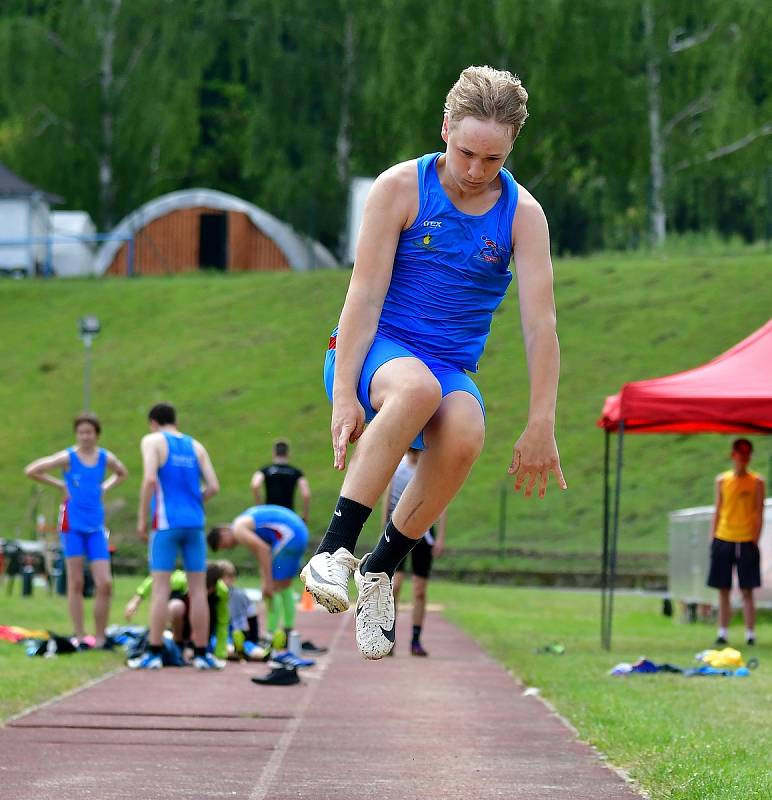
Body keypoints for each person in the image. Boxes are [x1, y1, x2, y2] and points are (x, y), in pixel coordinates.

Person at [301, 64, 566, 660]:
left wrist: (541, 420)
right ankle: (333, 551)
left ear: (510, 151)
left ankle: (378, 573)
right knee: (417, 388)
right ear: (444, 129)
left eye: (492, 160)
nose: (475, 172)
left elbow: (540, 324)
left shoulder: (524, 216)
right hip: (376, 349)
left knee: (469, 430)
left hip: (448, 364)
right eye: (467, 152)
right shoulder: (400, 187)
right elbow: (362, 297)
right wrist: (345, 394)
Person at [24, 413, 128, 649]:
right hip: (72, 526)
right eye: (80, 432)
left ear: (96, 434)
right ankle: (79, 635)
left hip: (96, 527)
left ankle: (100, 637)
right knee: (76, 581)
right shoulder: (68, 457)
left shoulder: (104, 457)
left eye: (89, 432)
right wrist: (61, 484)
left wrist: (105, 487)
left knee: (105, 582)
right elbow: (32, 470)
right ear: (76, 434)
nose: (84, 436)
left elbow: (122, 472)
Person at [135, 402, 221, 670]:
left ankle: (154, 652)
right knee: (197, 591)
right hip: (194, 523)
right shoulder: (196, 446)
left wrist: (142, 519)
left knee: (160, 588)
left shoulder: (152, 440)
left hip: (165, 523)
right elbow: (213, 487)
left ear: (153, 422)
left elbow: (150, 480)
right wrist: (194, 503)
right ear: (175, 421)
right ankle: (202, 653)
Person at [207, 504, 309, 642]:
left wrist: (267, 583)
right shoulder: (244, 520)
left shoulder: (239, 529)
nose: (229, 547)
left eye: (224, 544)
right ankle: (288, 630)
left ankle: (271, 633)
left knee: (273, 589)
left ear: (223, 532)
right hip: (298, 531)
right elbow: (262, 556)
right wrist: (265, 580)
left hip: (289, 535)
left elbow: (264, 551)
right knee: (285, 585)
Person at [384, 449, 447, 657]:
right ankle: (388, 637)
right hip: (397, 528)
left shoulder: (430, 464)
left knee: (420, 590)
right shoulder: (398, 465)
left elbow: (442, 500)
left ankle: (416, 640)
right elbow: (388, 498)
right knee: (396, 586)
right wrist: (384, 529)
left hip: (425, 532)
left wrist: (440, 537)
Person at [707, 438, 765, 646]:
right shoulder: (722, 481)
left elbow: (758, 512)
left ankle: (750, 634)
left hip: (746, 540)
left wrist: (755, 538)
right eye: (741, 455)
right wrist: (713, 538)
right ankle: (722, 632)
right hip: (723, 538)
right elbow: (718, 509)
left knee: (747, 589)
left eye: (747, 455)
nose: (744, 459)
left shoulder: (757, 482)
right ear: (734, 456)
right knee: (723, 588)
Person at [125, 563, 229, 665]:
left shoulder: (221, 593)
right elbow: (155, 581)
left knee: (205, 610)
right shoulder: (179, 579)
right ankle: (178, 645)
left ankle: (196, 649)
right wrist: (135, 601)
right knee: (176, 606)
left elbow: (222, 623)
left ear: (213, 588)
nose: (200, 594)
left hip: (202, 632)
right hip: (178, 625)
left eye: (206, 590)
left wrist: (219, 654)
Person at [250, 439, 312, 523]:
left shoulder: (266, 470)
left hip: (270, 512)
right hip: (288, 513)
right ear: (288, 453)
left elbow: (255, 485)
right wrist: (305, 515)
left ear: (274, 452)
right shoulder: (295, 472)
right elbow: (306, 494)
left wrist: (260, 508)